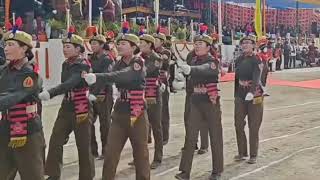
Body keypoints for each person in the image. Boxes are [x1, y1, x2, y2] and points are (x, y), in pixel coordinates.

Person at [83, 26, 150, 180]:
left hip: (137, 111)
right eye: (118, 43)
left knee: (141, 154)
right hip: (119, 111)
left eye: (123, 44)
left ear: (133, 47)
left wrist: (98, 76)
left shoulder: (138, 62)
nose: (119, 46)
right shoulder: (117, 63)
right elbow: (110, 75)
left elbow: (124, 75)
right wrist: (93, 92)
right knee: (111, 154)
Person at [40, 30, 95, 180]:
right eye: (64, 46)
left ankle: (86, 176)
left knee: (83, 144)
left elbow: (70, 83)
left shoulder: (82, 65)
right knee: (56, 139)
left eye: (69, 47)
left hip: (81, 106)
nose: (65, 49)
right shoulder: (66, 64)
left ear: (78, 49)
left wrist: (50, 93)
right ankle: (53, 173)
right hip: (67, 105)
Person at [175, 31, 223, 180]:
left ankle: (217, 170)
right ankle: (184, 171)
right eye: (195, 44)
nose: (197, 46)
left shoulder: (213, 61)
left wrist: (191, 70)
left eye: (200, 44)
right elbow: (191, 77)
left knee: (215, 136)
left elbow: (206, 69)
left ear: (208, 47)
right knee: (190, 136)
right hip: (195, 100)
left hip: (210, 101)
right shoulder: (193, 60)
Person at [0, 29, 45, 180]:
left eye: (11, 44)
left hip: (27, 130)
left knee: (32, 175)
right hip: (5, 127)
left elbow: (14, 95)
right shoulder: (4, 71)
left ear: (24, 48)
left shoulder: (30, 73)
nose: (5, 48)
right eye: (5, 44)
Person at [234, 35, 264, 164]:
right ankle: (242, 152)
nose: (245, 45)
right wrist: (236, 94)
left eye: (248, 43)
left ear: (253, 45)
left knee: (254, 125)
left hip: (255, 94)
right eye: (243, 43)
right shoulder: (239, 59)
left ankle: (253, 154)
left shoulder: (257, 59)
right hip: (240, 94)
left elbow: (257, 76)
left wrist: (252, 92)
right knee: (238, 124)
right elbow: (236, 77)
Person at [139, 33, 164, 169]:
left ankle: (158, 157)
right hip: (140, 93)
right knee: (141, 126)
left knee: (156, 125)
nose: (139, 46)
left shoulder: (156, 58)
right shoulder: (139, 58)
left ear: (149, 44)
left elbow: (145, 72)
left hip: (153, 93)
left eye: (142, 43)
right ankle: (141, 156)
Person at [89, 30, 114, 159]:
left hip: (104, 95)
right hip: (91, 95)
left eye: (95, 43)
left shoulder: (107, 59)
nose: (92, 46)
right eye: (91, 43)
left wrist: (95, 92)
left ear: (102, 45)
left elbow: (105, 78)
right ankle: (92, 151)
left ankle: (106, 150)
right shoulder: (90, 59)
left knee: (105, 125)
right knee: (89, 123)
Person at [154, 32, 171, 145]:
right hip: (149, 84)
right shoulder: (150, 53)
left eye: (156, 40)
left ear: (162, 42)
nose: (154, 42)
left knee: (163, 111)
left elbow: (162, 63)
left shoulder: (166, 52)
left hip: (162, 84)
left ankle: (165, 136)